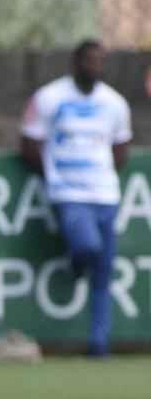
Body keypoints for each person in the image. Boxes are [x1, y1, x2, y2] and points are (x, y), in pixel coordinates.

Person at [20, 39, 133, 358]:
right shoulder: (50, 97)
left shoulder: (115, 103)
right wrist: (55, 175)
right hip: (68, 192)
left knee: (104, 273)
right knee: (87, 247)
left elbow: (121, 150)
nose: (94, 66)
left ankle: (99, 344)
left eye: (100, 60)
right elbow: (29, 145)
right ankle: (74, 262)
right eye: (89, 60)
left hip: (105, 193)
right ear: (76, 62)